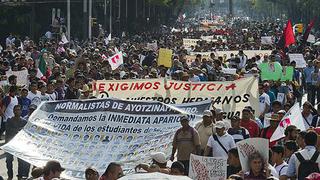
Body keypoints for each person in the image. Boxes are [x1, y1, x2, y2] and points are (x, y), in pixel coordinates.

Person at [5, 105, 30, 180]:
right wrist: (18, 130)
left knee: (21, 162)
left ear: (21, 111)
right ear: (13, 111)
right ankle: (10, 176)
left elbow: (25, 133)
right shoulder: (9, 120)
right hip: (10, 143)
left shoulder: (24, 121)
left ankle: (19, 176)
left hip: (20, 144)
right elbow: (8, 130)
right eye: (16, 110)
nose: (17, 111)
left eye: (19, 110)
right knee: (9, 161)